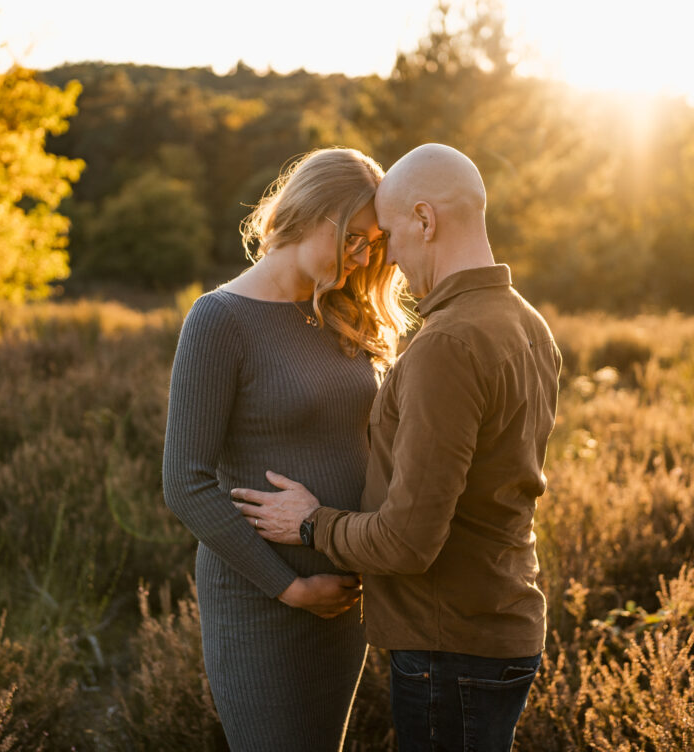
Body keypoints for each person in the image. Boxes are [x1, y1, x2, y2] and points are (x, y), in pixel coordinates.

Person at [232, 143, 562, 751]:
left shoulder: (448, 344)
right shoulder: (526, 323)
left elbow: (409, 541)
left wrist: (312, 525)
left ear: (425, 220)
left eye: (387, 236)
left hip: (450, 645)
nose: (382, 260)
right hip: (498, 628)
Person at [162, 147, 410, 751]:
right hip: (261, 604)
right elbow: (185, 484)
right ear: (311, 212)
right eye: (353, 237)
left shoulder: (342, 312)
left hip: (343, 599)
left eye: (372, 244)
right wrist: (290, 588)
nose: (362, 256)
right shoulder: (219, 319)